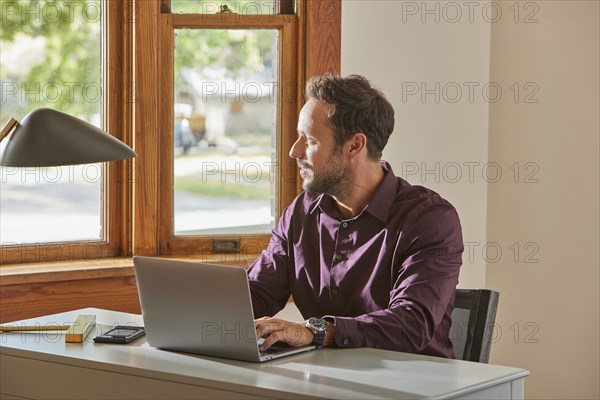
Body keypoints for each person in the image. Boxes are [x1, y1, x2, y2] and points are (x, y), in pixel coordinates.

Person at [249, 74, 463, 358]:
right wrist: (188, 308)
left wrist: (316, 331)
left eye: (309, 140)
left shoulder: (431, 220)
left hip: (413, 386)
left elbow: (412, 323)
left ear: (354, 146)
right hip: (327, 382)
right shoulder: (301, 212)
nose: (294, 150)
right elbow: (258, 293)